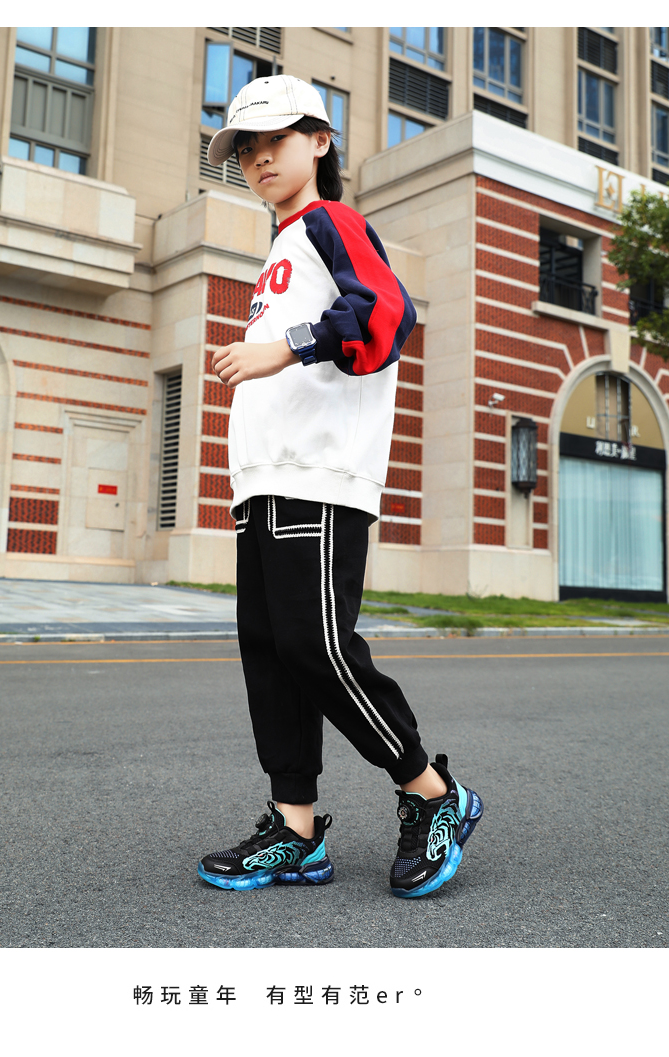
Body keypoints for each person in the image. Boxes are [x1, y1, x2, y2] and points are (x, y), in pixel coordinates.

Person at [198, 75, 483, 898]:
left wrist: (281, 346)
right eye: (246, 150)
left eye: (275, 141)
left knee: (316, 647)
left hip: (319, 480)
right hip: (265, 482)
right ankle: (295, 830)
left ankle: (434, 791)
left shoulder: (333, 223)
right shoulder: (282, 248)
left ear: (320, 141)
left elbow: (386, 315)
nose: (259, 159)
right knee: (270, 654)